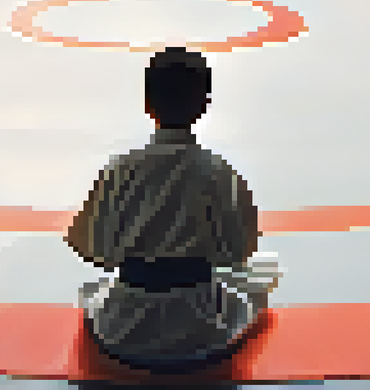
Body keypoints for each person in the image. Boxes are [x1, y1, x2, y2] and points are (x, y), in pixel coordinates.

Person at [67, 47, 282, 372]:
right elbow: (238, 252)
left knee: (92, 292)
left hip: (122, 328)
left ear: (147, 104)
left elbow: (93, 249)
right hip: (202, 328)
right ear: (204, 104)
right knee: (259, 280)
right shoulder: (219, 172)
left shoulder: (120, 169)